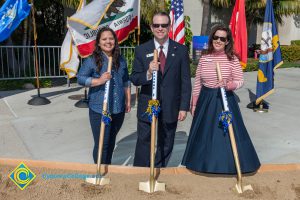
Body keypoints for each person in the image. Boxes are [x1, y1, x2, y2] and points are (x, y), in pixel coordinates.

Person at [182, 24, 260, 174]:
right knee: (205, 133)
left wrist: (228, 84)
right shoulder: (204, 58)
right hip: (206, 99)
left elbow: (240, 81)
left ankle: (228, 165)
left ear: (227, 41)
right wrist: (194, 103)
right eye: (216, 37)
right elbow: (198, 82)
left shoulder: (232, 60)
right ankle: (203, 164)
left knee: (224, 132)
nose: (218, 41)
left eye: (222, 38)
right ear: (212, 39)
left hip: (225, 99)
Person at [130, 12, 192, 167]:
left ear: (169, 27)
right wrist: (149, 72)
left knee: (167, 140)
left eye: (164, 25)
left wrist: (184, 107)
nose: (160, 28)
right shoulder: (141, 50)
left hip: (171, 104)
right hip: (148, 104)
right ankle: (142, 171)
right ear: (151, 27)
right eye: (156, 25)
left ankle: (158, 169)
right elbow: (135, 78)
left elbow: (185, 81)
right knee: (144, 140)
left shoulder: (181, 50)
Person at [77, 27, 131, 164]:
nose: (108, 41)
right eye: (104, 39)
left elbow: (126, 80)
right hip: (99, 109)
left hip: (118, 109)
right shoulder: (92, 60)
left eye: (111, 38)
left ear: (115, 41)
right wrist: (99, 80)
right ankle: (99, 170)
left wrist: (128, 101)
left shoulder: (121, 60)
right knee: (102, 142)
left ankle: (108, 168)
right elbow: (81, 78)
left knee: (111, 141)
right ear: (99, 43)